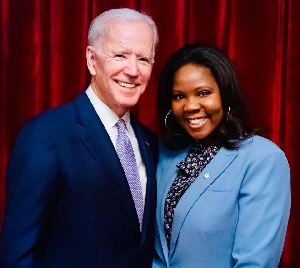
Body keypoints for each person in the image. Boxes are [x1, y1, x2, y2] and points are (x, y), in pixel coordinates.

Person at [0, 8, 159, 268]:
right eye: (120, 55)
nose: (132, 70)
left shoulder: (150, 143)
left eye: (143, 59)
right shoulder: (46, 135)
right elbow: (18, 255)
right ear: (91, 60)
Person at [152, 43, 290, 267]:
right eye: (179, 96)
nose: (190, 106)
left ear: (226, 95)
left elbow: (256, 262)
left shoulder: (262, 159)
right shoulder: (164, 154)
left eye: (203, 93)